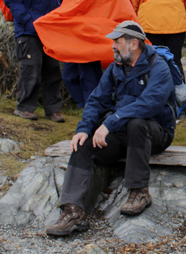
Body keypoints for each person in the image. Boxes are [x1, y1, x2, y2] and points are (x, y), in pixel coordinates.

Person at [45, 21, 176, 236]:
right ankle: (73, 212)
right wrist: (84, 128)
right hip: (121, 134)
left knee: (137, 123)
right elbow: (96, 100)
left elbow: (149, 104)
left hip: (156, 133)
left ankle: (139, 192)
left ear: (133, 44)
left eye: (117, 41)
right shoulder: (116, 68)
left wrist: (109, 122)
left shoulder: (158, 67)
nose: (113, 46)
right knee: (83, 145)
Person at [34, 0, 140, 109]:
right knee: (71, 75)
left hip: (90, 35)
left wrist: (47, 22)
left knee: (86, 77)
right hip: (89, 33)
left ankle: (95, 113)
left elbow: (77, 6)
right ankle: (90, 110)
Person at [3, 0, 65, 122]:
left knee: (52, 70)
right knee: (31, 68)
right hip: (29, 30)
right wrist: (28, 22)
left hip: (50, 30)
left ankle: (53, 110)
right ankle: (25, 107)